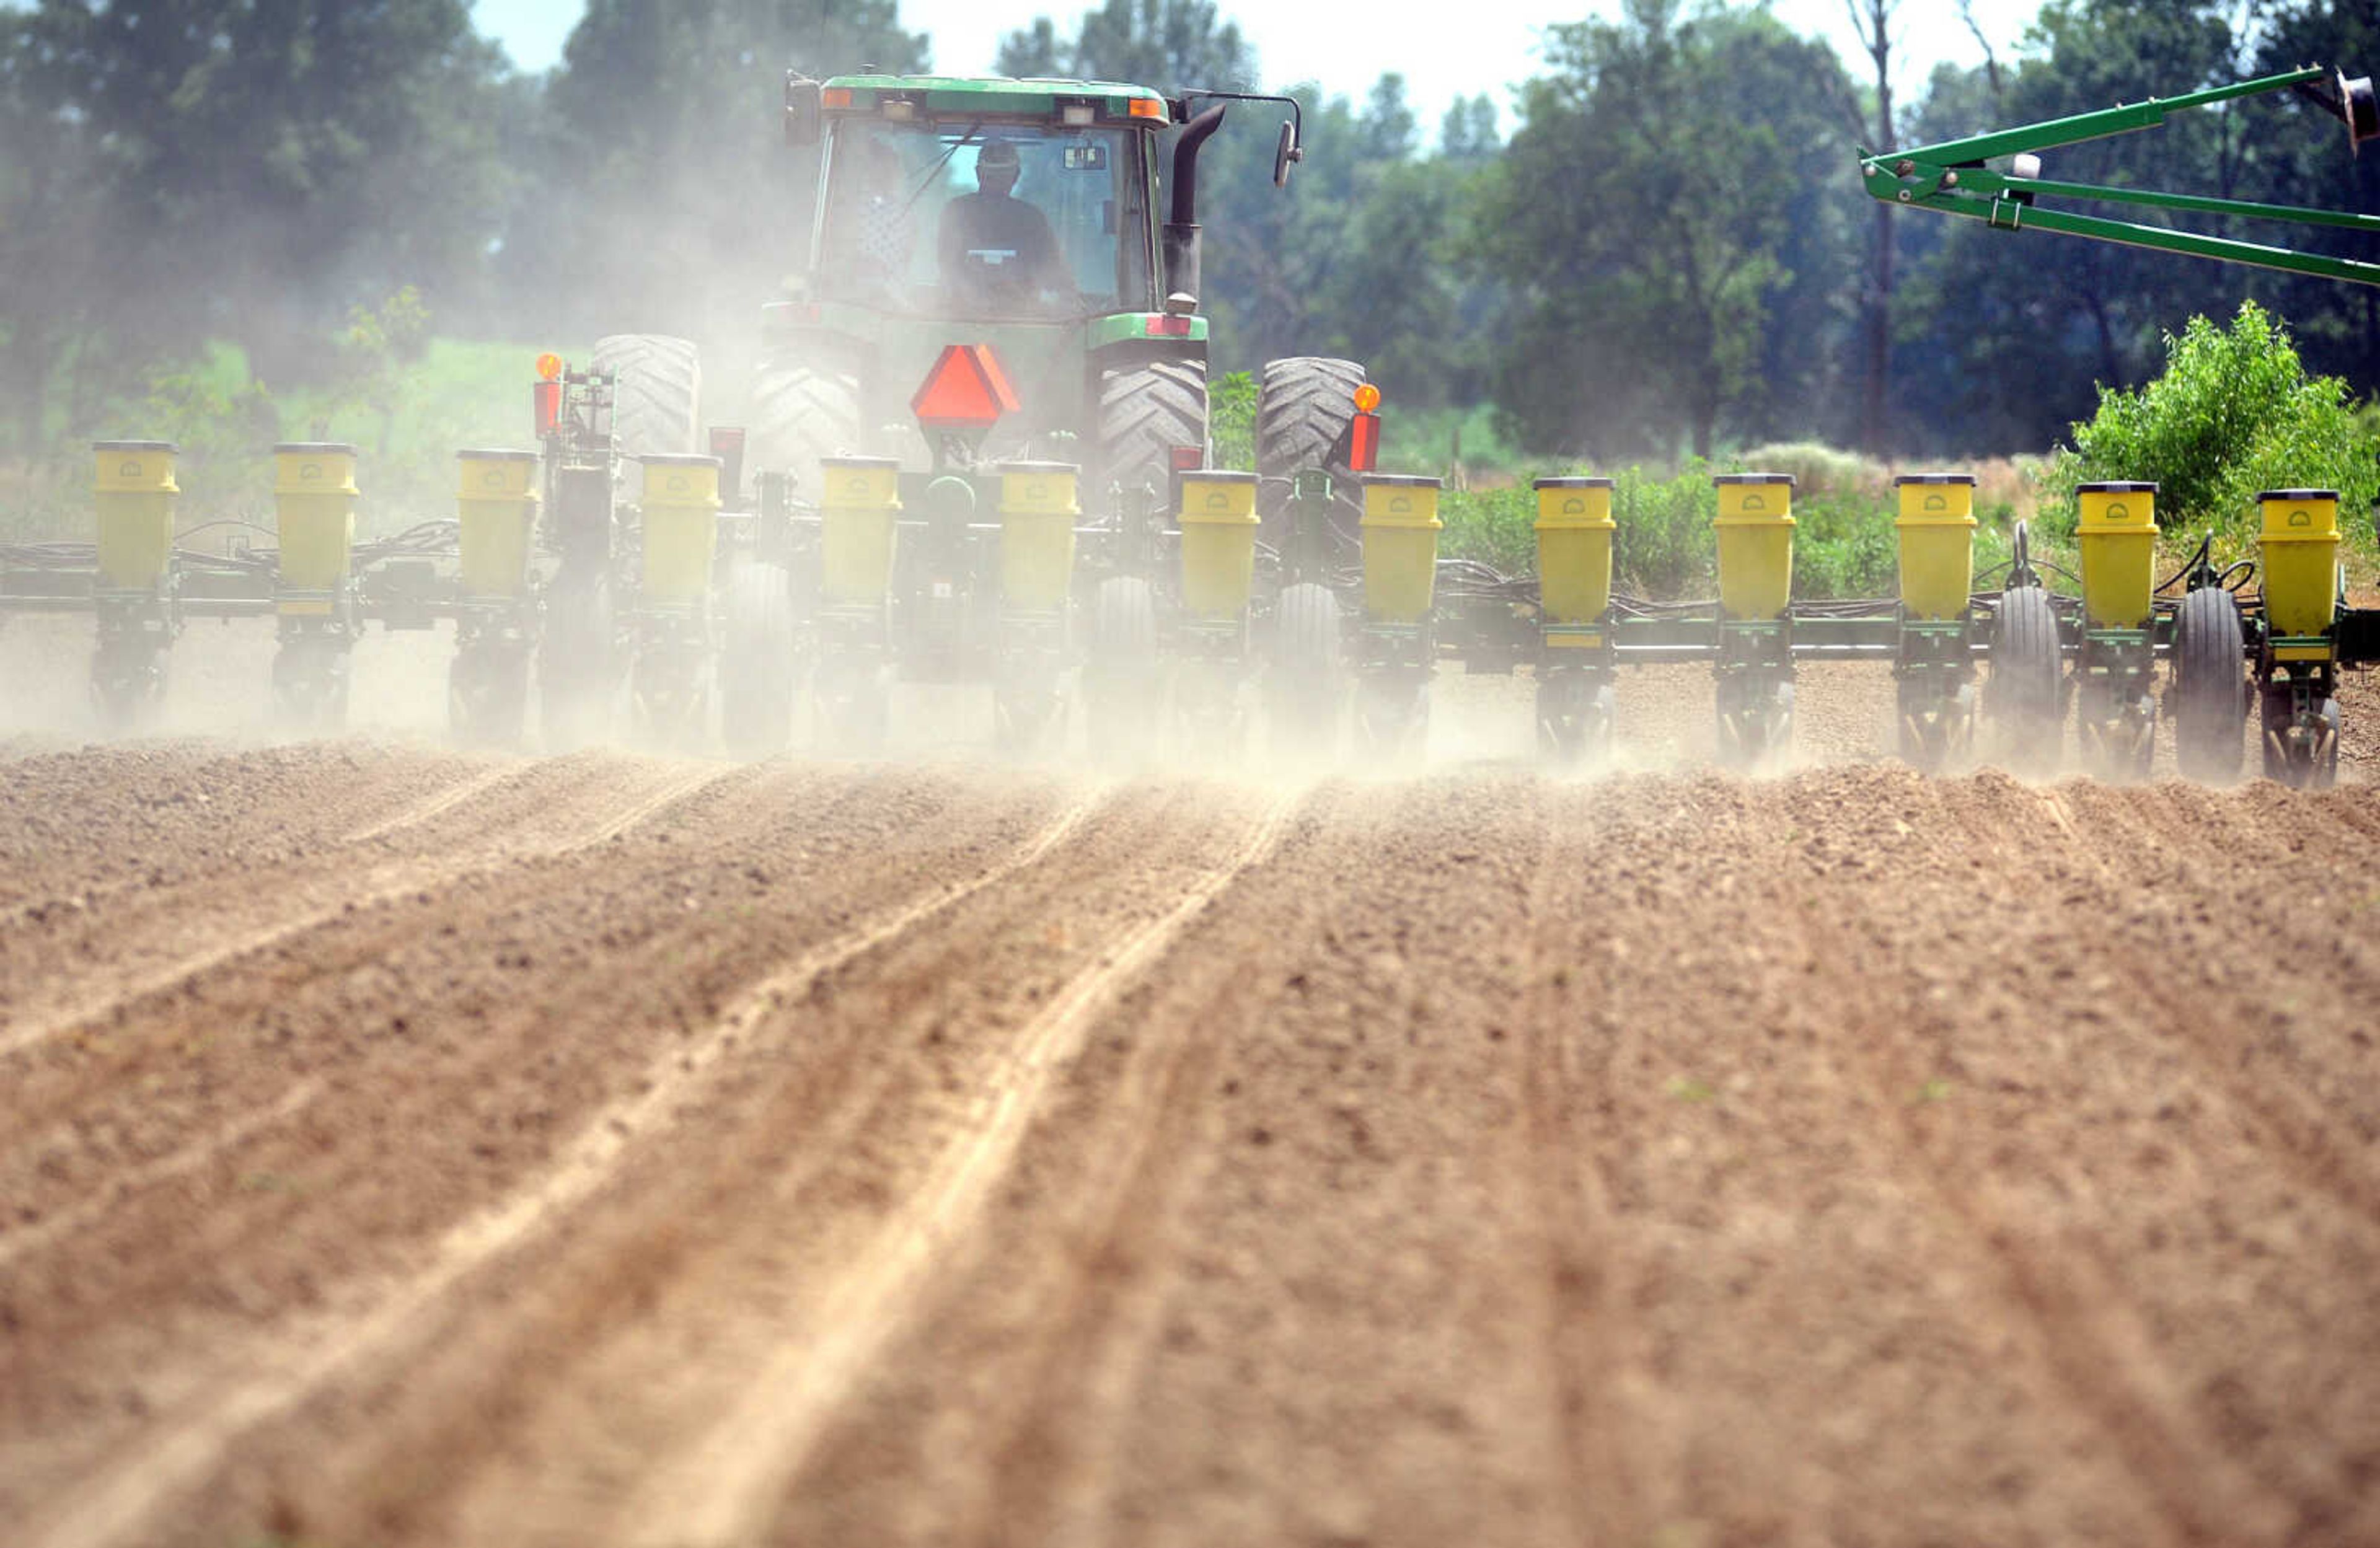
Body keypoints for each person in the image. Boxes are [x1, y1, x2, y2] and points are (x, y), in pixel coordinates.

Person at [938, 139, 1070, 311]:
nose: (996, 183)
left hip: (1025, 318)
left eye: (1003, 176)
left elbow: (1052, 271)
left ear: (1016, 176)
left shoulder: (1033, 219)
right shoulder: (956, 212)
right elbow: (947, 264)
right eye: (991, 176)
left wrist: (1068, 299)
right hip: (961, 314)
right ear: (979, 174)